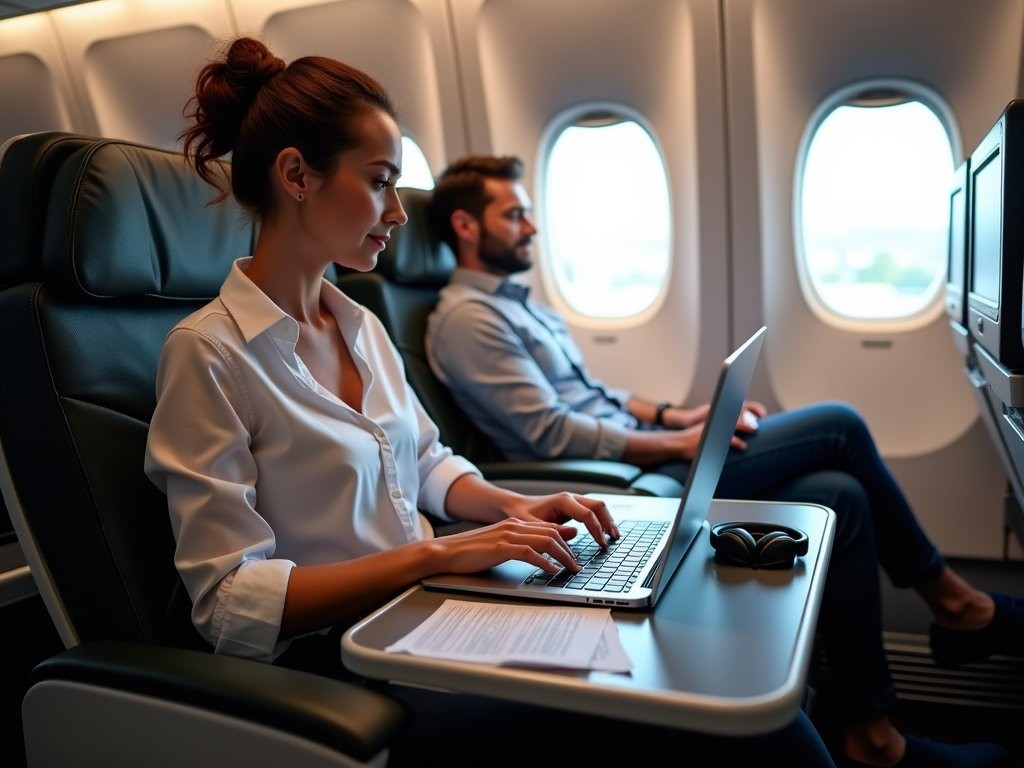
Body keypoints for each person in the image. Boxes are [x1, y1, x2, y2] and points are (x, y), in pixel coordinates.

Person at [142, 37, 841, 768]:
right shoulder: (211, 354)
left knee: (698, 670)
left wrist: (514, 508)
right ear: (296, 175)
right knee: (710, 714)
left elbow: (431, 464)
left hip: (429, 608)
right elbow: (229, 602)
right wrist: (437, 553)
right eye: (380, 181)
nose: (399, 213)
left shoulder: (359, 325)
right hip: (341, 661)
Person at [424, 154, 1022, 768]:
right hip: (613, 481)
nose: (531, 227)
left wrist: (674, 417)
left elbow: (598, 397)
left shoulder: (522, 304)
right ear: (467, 226)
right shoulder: (468, 320)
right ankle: (955, 606)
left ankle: (869, 734)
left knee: (838, 492)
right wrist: (679, 446)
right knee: (840, 425)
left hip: (645, 453)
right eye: (515, 214)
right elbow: (548, 432)